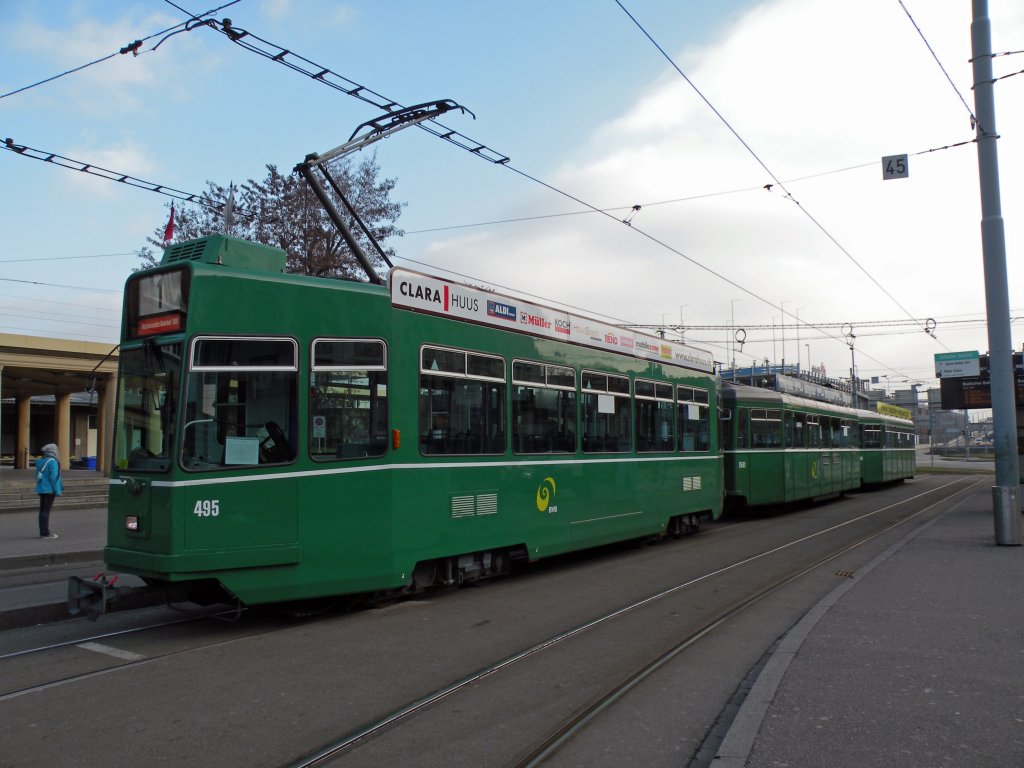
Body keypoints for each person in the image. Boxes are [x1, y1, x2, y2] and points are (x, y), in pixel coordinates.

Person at [35, 443, 64, 539]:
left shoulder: (41, 461)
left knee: (42, 511)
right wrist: (58, 491)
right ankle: (45, 532)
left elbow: (37, 476)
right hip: (50, 490)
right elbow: (54, 478)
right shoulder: (53, 462)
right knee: (46, 511)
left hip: (42, 489)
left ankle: (42, 531)